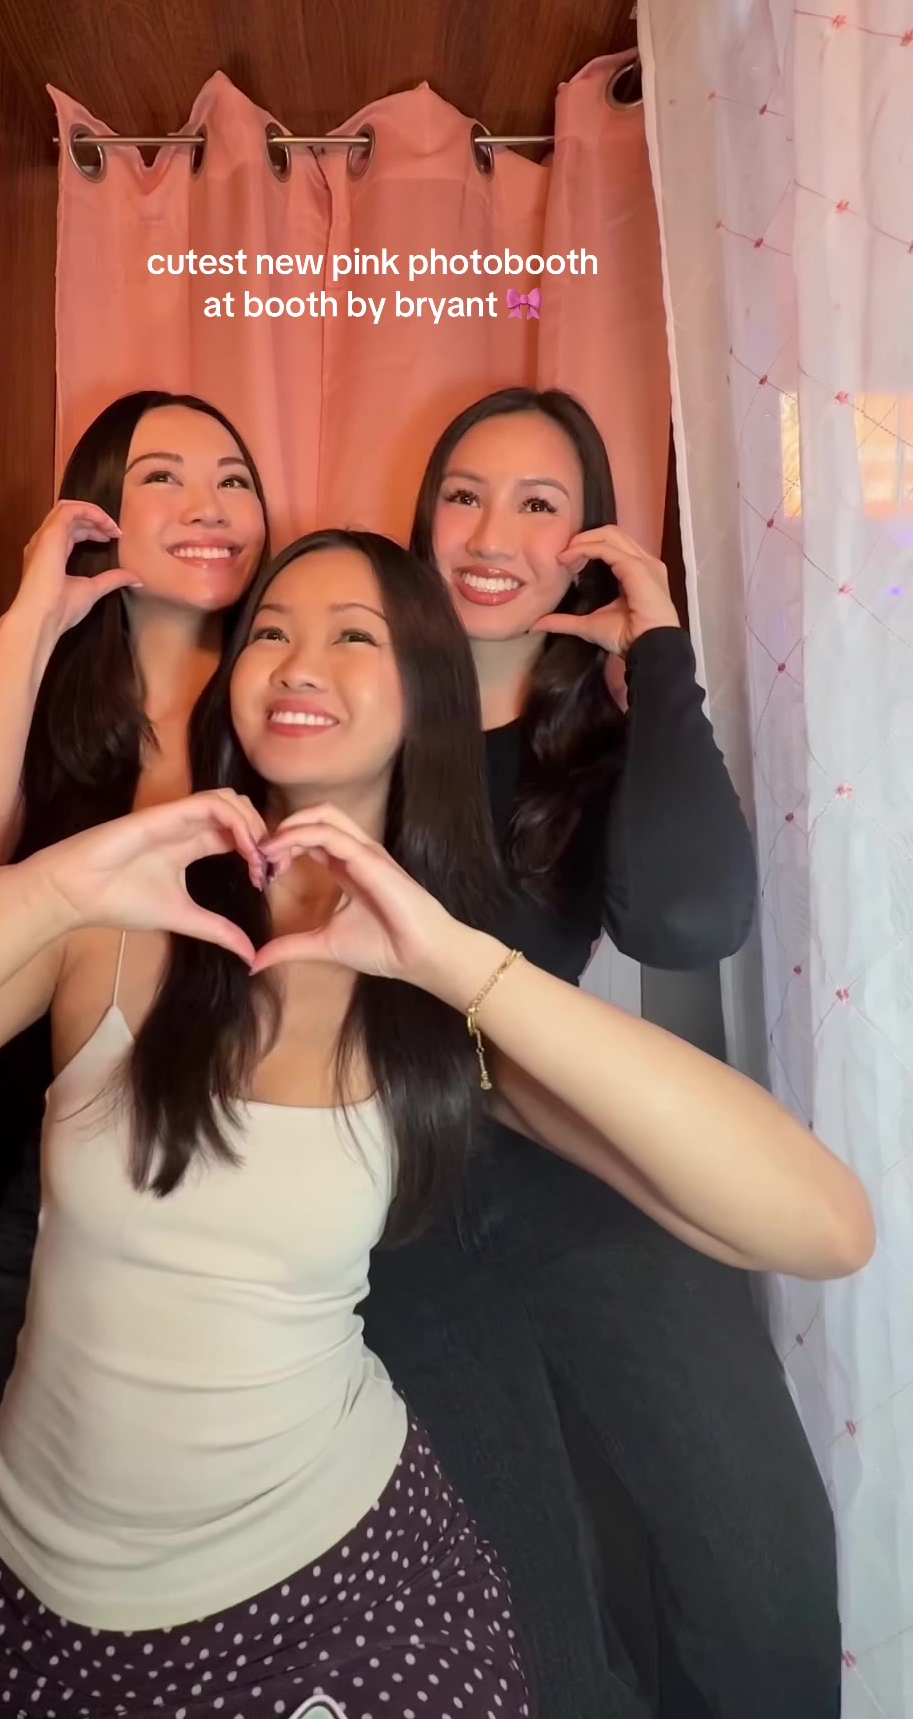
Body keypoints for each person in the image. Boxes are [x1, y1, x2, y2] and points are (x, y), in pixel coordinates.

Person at [0, 532, 872, 1719]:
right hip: (26, 1601)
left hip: (332, 1593)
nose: (297, 661)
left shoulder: (438, 993)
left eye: (353, 636)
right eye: (270, 631)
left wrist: (465, 965)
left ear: (426, 692)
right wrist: (47, 892)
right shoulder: (115, 915)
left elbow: (823, 1225)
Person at [355, 386, 840, 1718]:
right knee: (526, 1612)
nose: (490, 534)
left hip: (559, 1152)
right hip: (379, 1183)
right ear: (423, 518)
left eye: (538, 505)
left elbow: (690, 920)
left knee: (764, 1565)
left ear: (587, 544)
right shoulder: (354, 694)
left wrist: (661, 651)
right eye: (464, 496)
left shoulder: (606, 733)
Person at [0, 388, 269, 1719]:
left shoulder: (292, 729)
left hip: (235, 1272)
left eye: (235, 477)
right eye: (163, 477)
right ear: (99, 514)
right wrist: (33, 620)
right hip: (24, 1266)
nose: (209, 505)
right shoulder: (64, 768)